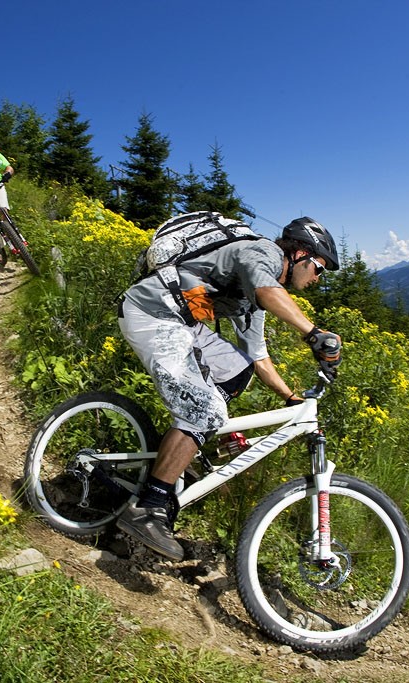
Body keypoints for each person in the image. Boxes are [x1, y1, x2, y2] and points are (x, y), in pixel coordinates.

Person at [116, 215, 343, 560]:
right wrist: (314, 334)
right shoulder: (262, 252)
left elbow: (260, 360)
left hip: (180, 321)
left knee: (239, 370)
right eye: (319, 268)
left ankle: (184, 443)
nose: (317, 279)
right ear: (298, 254)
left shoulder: (252, 298)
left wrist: (292, 399)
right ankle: (146, 509)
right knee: (205, 410)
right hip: (152, 312)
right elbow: (270, 292)